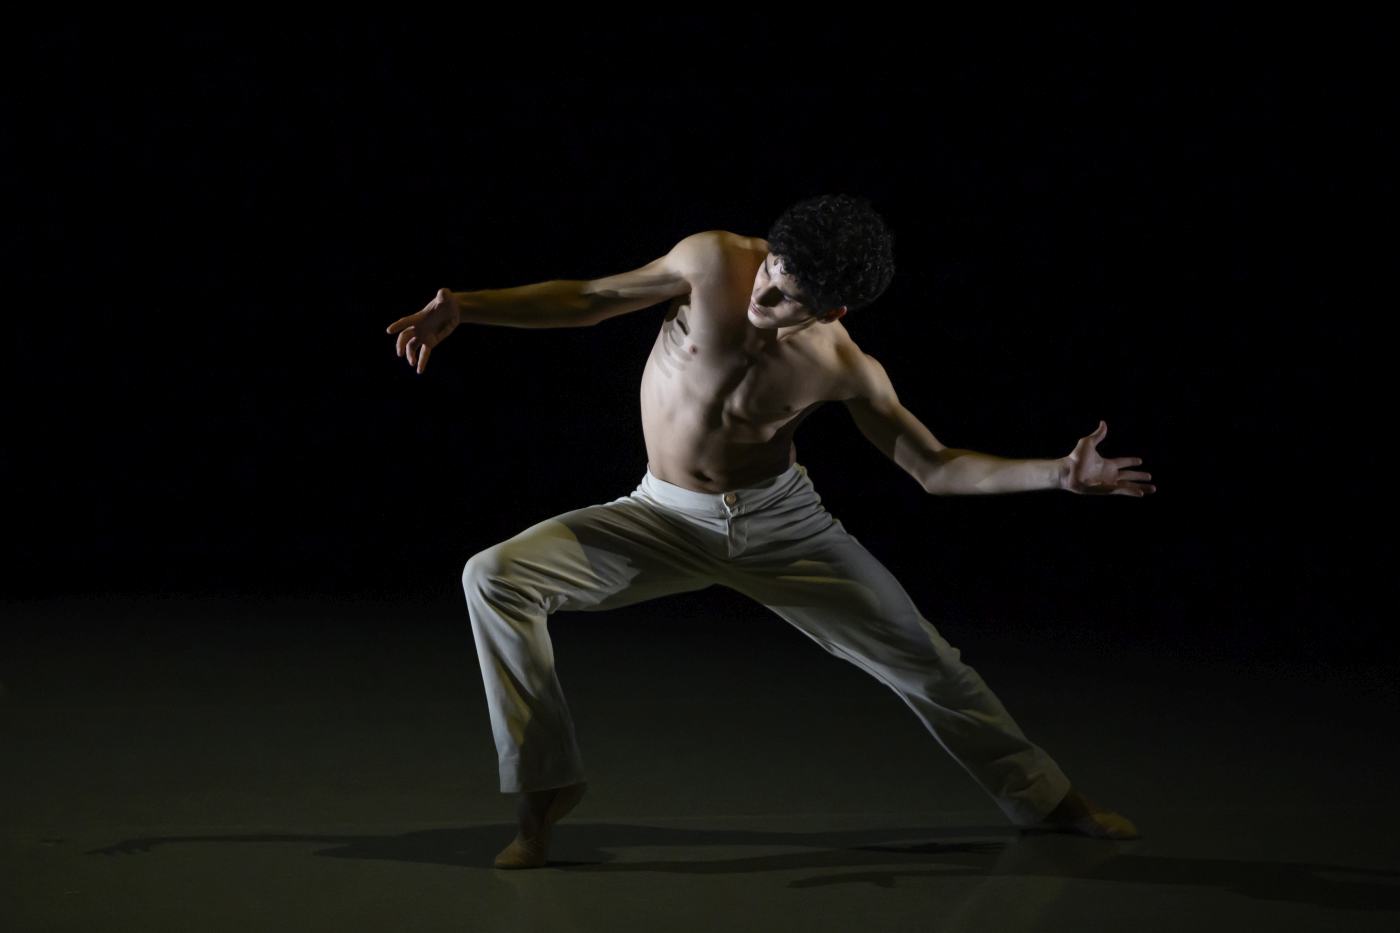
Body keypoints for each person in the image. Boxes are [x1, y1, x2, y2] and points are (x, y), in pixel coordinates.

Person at [386, 194, 1156, 869]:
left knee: (927, 661)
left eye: (789, 299)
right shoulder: (712, 260)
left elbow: (935, 466)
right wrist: (468, 305)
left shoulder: (844, 365)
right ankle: (546, 787)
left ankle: (1050, 800)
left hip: (782, 527)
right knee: (495, 576)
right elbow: (589, 298)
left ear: (833, 312)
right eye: (770, 273)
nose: (765, 295)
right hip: (659, 516)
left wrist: (1057, 473)